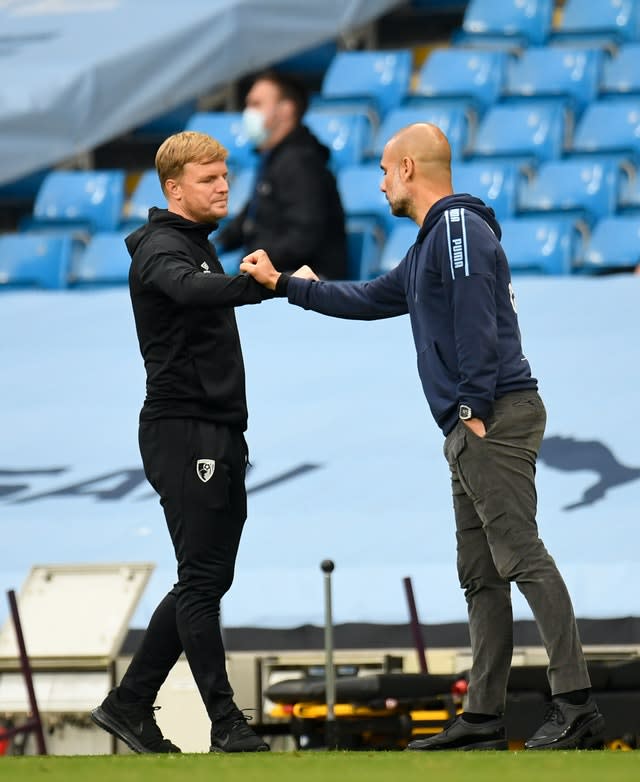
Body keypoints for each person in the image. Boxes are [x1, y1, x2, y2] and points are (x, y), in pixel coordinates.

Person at [239, 123, 606, 752]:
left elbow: (474, 324)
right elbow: (372, 297)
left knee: (520, 555)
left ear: (408, 168)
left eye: (385, 171)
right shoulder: (432, 242)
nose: (380, 184)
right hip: (476, 420)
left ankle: (575, 705)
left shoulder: (457, 229)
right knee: (481, 573)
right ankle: (484, 718)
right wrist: (289, 287)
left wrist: (470, 406)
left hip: (490, 415)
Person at [90, 130, 310, 754]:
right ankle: (225, 722)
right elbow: (188, 290)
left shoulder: (193, 245)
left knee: (204, 579)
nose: (222, 187)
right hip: (183, 430)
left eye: (224, 176)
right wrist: (260, 285)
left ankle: (129, 704)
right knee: (203, 577)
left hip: (214, 430)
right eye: (209, 179)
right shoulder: (162, 249)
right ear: (173, 188)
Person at [216, 70, 349, 280]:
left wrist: (247, 263)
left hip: (307, 280)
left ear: (286, 110)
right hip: (277, 274)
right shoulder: (275, 159)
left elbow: (303, 238)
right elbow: (250, 217)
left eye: (256, 104)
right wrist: (215, 246)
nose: (248, 113)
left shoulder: (301, 162)